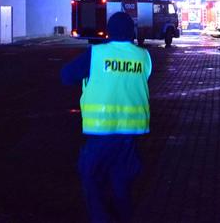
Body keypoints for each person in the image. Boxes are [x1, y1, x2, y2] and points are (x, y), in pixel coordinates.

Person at [61, 12, 152, 223]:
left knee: (94, 187)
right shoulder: (143, 56)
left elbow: (66, 76)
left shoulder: (96, 54)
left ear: (109, 32)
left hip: (101, 135)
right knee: (122, 188)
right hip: (130, 137)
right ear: (132, 32)